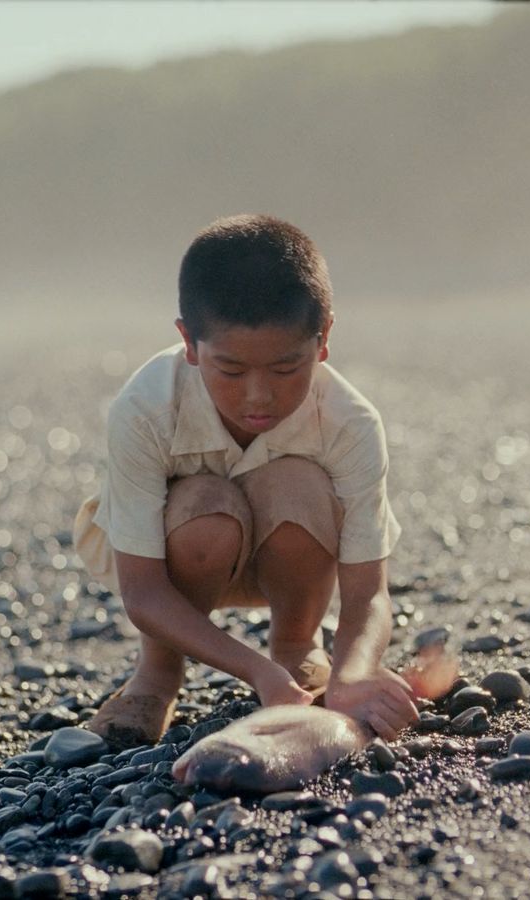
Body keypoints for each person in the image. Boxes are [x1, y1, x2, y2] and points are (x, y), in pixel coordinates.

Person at [72, 213, 420, 748]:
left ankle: (298, 647)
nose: (259, 395)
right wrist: (253, 671)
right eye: (231, 371)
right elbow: (141, 591)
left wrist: (356, 669)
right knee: (205, 505)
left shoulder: (350, 423)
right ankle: (158, 673)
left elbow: (367, 592)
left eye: (286, 370)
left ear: (324, 338)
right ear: (189, 343)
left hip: (292, 556)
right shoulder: (144, 408)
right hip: (181, 559)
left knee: (299, 485)